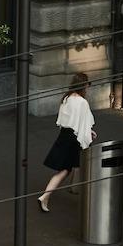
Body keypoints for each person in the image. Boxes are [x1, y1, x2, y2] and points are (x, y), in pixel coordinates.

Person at [38, 75, 95, 212]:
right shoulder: (82, 102)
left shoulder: (66, 98)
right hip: (74, 138)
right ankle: (46, 195)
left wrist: (88, 131)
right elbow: (83, 123)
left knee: (69, 166)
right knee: (70, 168)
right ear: (84, 85)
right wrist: (88, 133)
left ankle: (71, 188)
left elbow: (66, 121)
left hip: (64, 135)